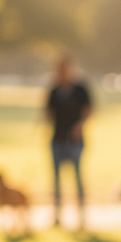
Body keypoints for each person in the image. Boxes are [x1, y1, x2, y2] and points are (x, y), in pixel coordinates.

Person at [45, 58, 92, 228]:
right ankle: (57, 216)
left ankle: (81, 215)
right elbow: (48, 112)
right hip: (57, 140)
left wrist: (80, 126)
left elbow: (89, 110)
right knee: (56, 180)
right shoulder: (54, 90)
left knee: (78, 178)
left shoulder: (80, 89)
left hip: (75, 142)